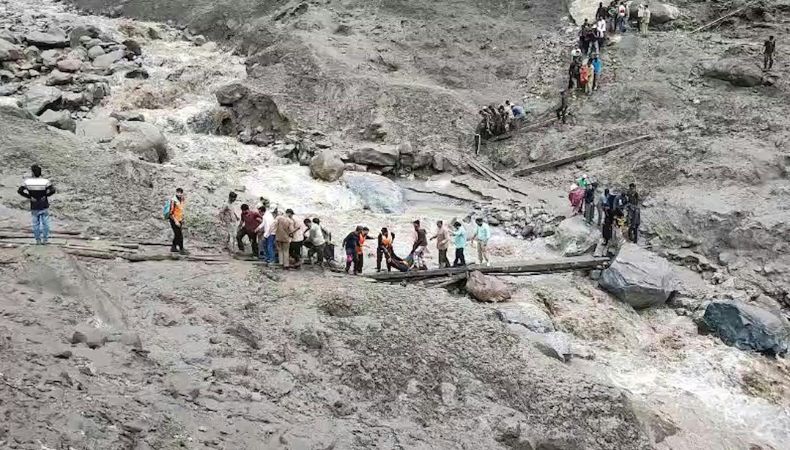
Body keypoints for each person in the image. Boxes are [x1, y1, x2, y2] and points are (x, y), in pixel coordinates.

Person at [17, 164, 56, 245]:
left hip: (34, 205)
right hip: (44, 204)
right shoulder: (45, 181)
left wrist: (29, 197)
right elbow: (53, 190)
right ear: (40, 173)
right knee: (45, 223)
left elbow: (20, 191)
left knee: (35, 224)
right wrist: (46, 196)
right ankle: (45, 240)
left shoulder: (27, 182)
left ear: (32, 173)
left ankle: (38, 240)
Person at [167, 188, 186, 254]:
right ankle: (181, 249)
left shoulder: (182, 200)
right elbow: (171, 213)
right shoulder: (173, 201)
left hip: (179, 219)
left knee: (177, 234)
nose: (179, 194)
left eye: (180, 193)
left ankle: (173, 247)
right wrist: (176, 221)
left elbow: (181, 210)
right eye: (178, 192)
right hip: (173, 220)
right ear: (176, 192)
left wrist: (182, 219)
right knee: (179, 235)